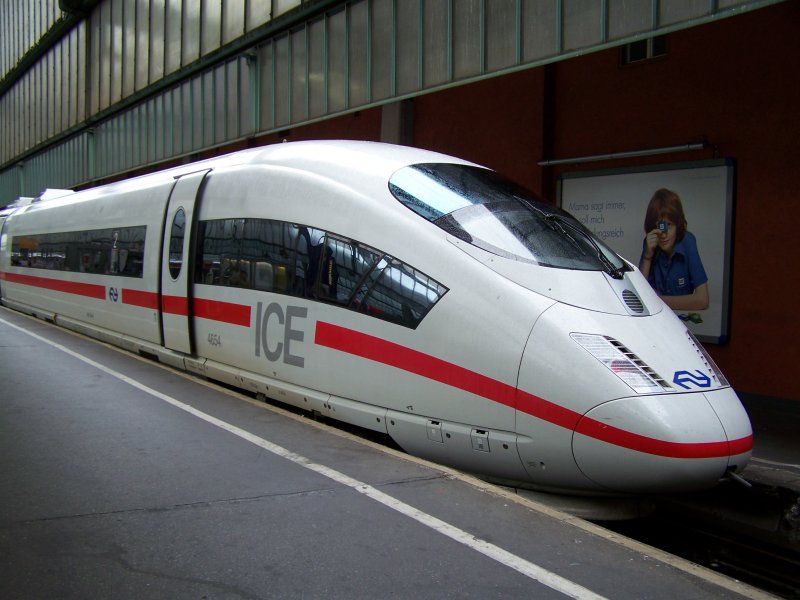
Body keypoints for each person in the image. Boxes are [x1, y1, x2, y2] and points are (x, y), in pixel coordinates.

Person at [639, 188, 709, 311]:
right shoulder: (650, 242)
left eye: (669, 225)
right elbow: (640, 297)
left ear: (678, 225)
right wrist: (647, 257)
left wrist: (658, 299)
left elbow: (703, 300)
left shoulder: (687, 241)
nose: (664, 234)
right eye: (659, 227)